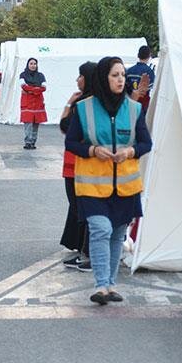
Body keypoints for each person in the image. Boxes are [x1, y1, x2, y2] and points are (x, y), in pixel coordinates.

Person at [64, 56, 152, 304]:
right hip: (92, 185)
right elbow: (71, 142)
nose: (121, 79)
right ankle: (101, 285)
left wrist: (130, 152)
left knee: (117, 236)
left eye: (122, 75)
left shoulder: (134, 109)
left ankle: (111, 285)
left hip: (125, 186)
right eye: (115, 75)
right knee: (101, 230)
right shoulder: (84, 108)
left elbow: (146, 143)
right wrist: (92, 150)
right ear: (104, 78)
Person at [59, 61, 96, 272]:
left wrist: (68, 105)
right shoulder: (86, 101)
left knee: (81, 207)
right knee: (78, 207)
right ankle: (82, 249)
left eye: (80, 76)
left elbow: (65, 127)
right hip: (74, 163)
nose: (77, 80)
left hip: (79, 165)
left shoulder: (84, 104)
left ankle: (87, 252)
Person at [19, 58, 47, 148]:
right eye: (31, 63)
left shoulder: (40, 75)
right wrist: (36, 89)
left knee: (36, 124)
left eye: (34, 63)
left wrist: (31, 90)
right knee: (28, 123)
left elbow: (44, 87)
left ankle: (33, 142)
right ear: (28, 65)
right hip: (27, 102)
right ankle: (28, 142)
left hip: (38, 103)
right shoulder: (23, 75)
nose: (33, 65)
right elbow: (23, 86)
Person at [125, 45, 156, 113]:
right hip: (143, 106)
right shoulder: (149, 72)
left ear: (138, 55)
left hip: (130, 104)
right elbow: (152, 89)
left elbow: (126, 88)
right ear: (149, 56)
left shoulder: (129, 70)